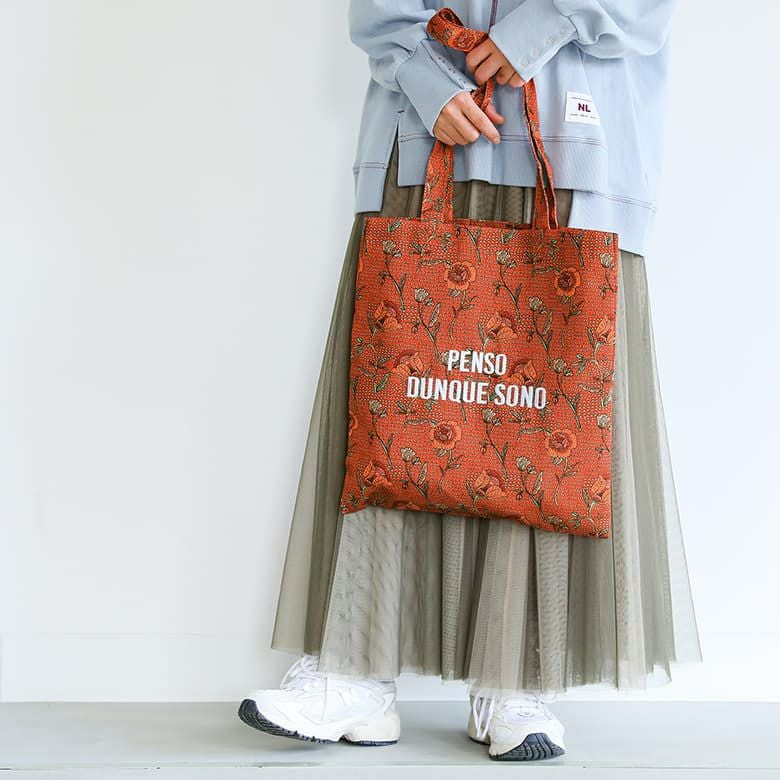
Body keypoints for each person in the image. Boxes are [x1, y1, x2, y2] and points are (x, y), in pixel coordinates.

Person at [238, 0, 701, 762]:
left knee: (537, 418)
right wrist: (423, 75)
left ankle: (514, 678)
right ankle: (353, 668)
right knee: (395, 403)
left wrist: (539, 28)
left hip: (574, 128)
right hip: (427, 125)